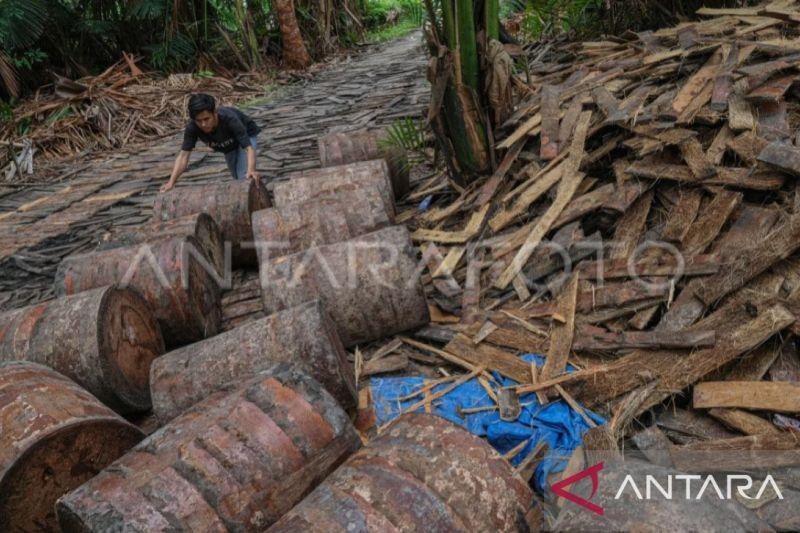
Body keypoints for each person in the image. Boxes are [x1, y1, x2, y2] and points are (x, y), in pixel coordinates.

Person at [160, 93, 261, 192]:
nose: (203, 124)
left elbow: (248, 148)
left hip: (246, 135)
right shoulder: (192, 128)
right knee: (235, 176)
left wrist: (251, 170)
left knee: (244, 176)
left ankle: (257, 196)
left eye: (206, 119)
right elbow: (183, 156)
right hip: (227, 145)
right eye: (199, 121)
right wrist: (171, 182)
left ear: (214, 113)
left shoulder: (229, 119)